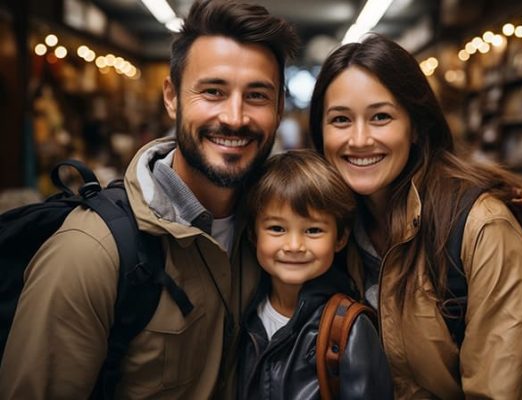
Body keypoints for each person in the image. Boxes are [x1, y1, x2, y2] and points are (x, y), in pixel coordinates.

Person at [0, 0, 299, 398]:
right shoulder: (91, 254)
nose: (234, 117)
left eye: (258, 95)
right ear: (172, 97)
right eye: (213, 91)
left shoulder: (277, 231)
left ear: (280, 108)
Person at [308, 34, 522, 399]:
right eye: (341, 120)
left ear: (416, 128)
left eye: (381, 117)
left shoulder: (482, 228)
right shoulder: (331, 226)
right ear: (320, 133)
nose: (359, 139)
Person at [238, 149, 393, 400]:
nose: (294, 245)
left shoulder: (347, 328)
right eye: (277, 228)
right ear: (254, 235)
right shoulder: (242, 311)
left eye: (313, 230)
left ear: (340, 238)